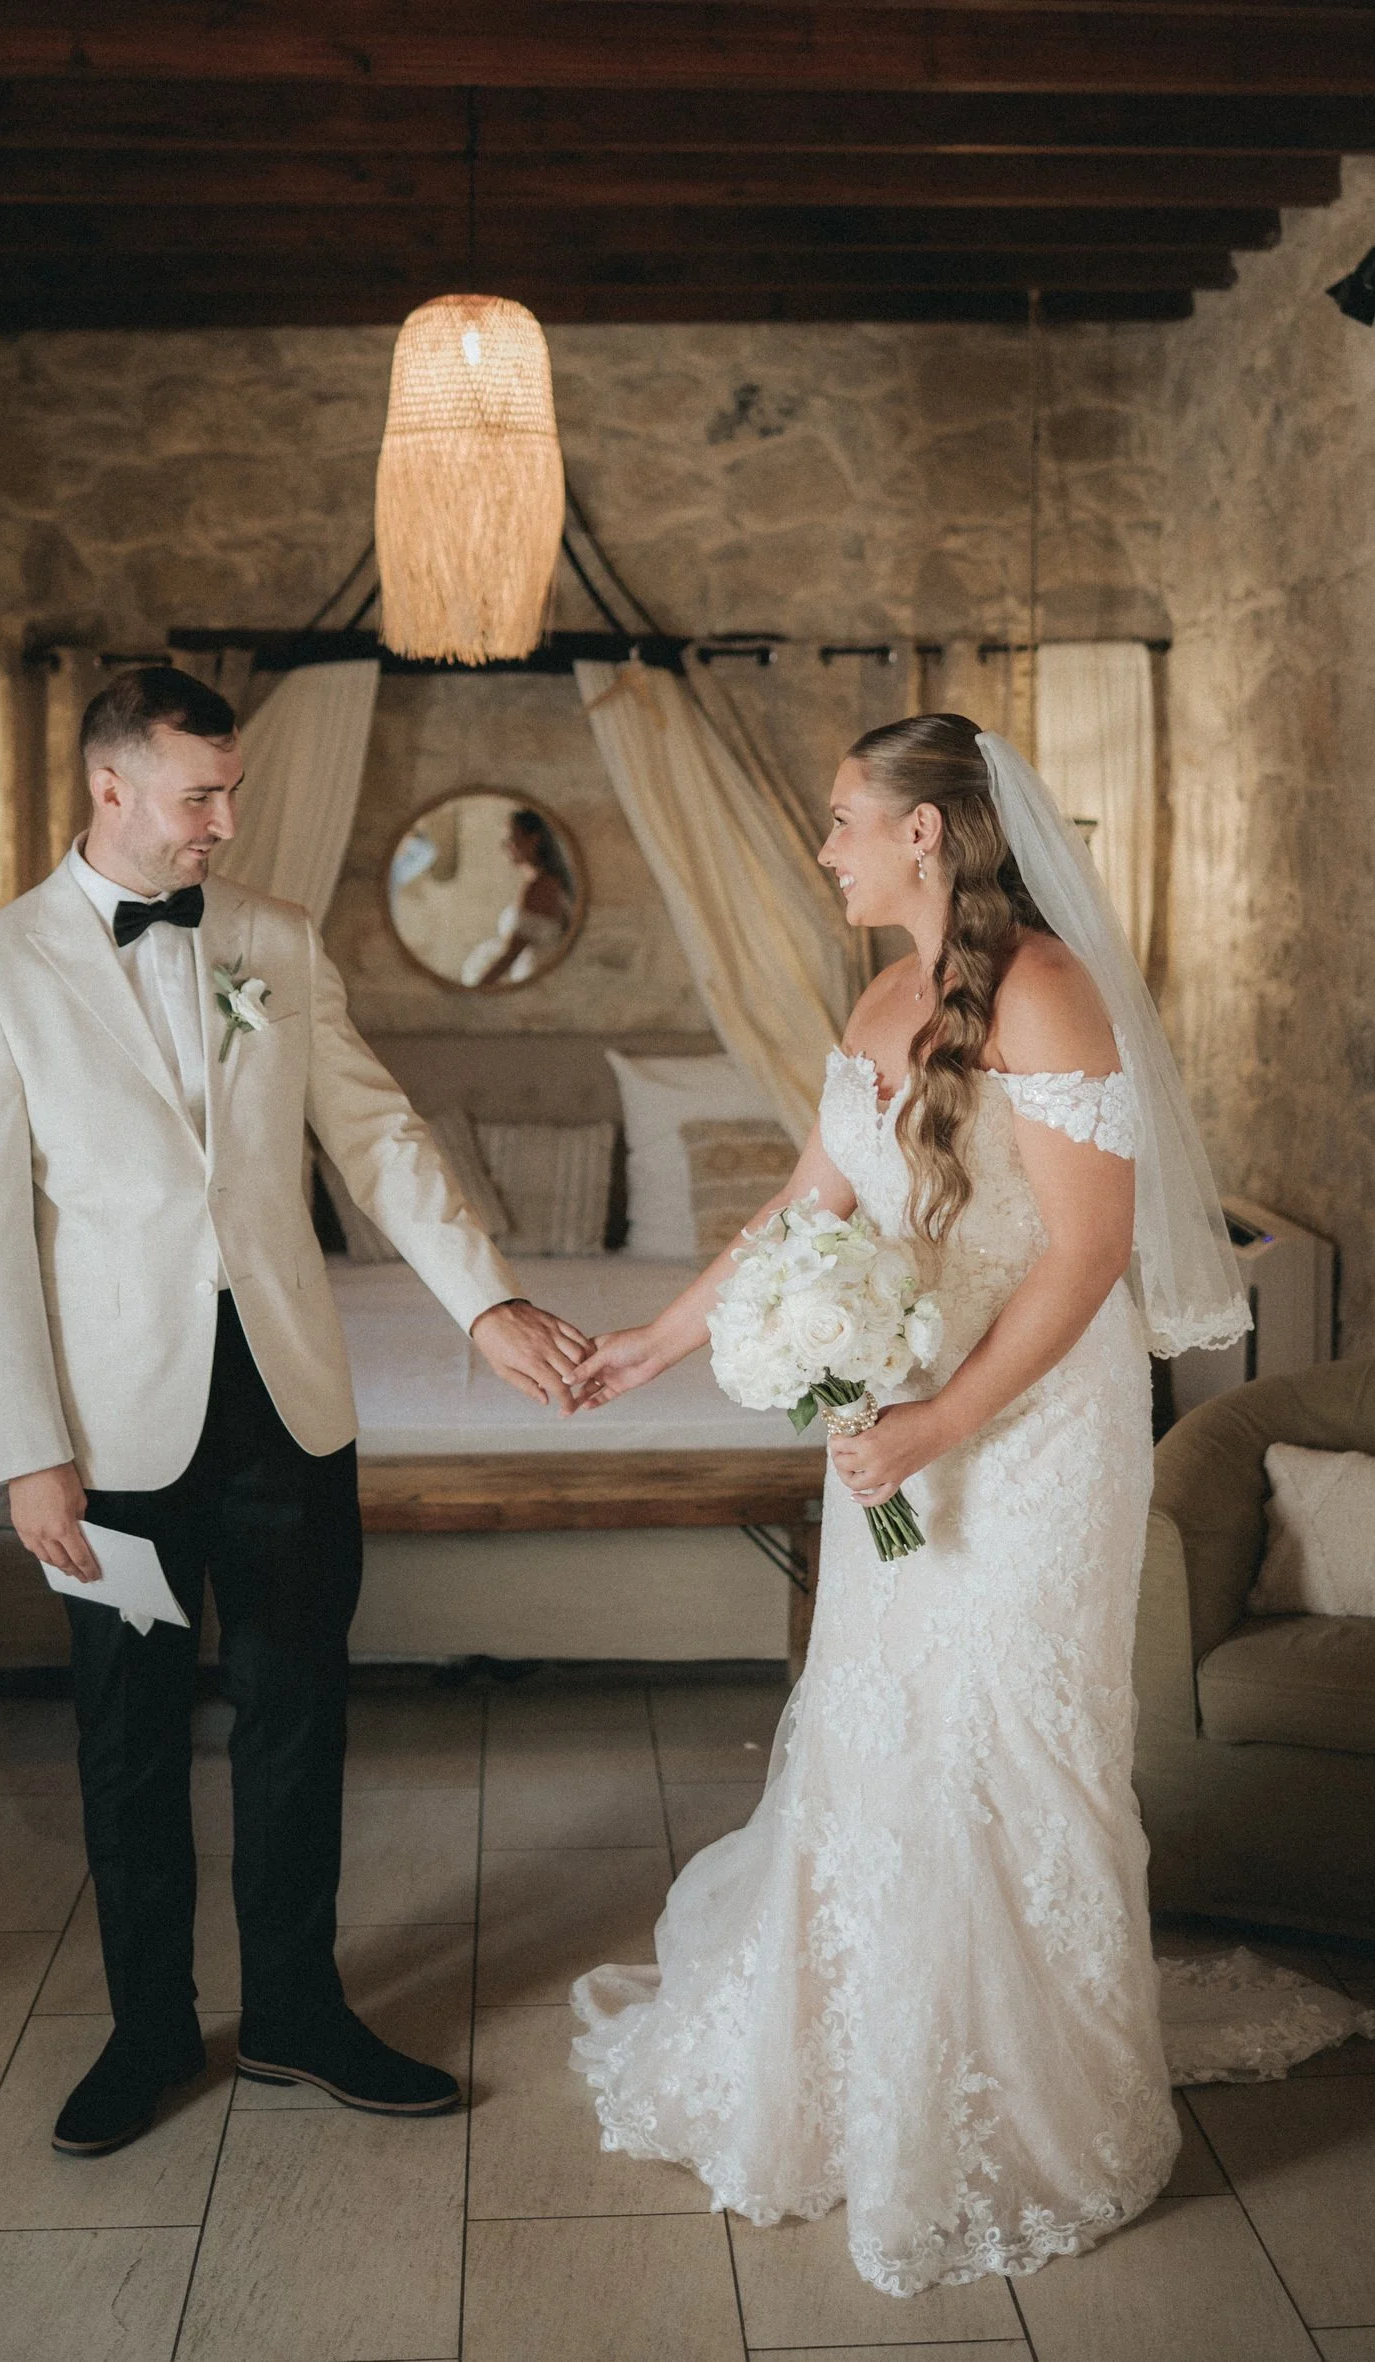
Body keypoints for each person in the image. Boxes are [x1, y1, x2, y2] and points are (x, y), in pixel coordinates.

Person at [565, 713, 1258, 2293]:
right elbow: (805, 1210)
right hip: (892, 1427)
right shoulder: (882, 994)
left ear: (928, 833)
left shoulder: (1052, 990)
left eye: (843, 819)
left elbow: (1085, 1257)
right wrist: (653, 1344)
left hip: (1023, 1433)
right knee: (881, 1729)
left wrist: (943, 1413)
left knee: (1011, 1739)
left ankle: (1036, 2105)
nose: (826, 848)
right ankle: (875, 2068)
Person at [0, 665, 590, 2158]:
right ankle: (150, 2029)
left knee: (301, 1719)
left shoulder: (275, 941)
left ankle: (297, 2010)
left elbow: (376, 1134)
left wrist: (483, 1301)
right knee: (131, 1739)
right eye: (198, 796)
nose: (227, 821)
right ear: (111, 790)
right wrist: (27, 1452)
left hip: (289, 1411)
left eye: (229, 792)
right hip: (111, 1439)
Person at [461, 806, 574, 989]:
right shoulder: (543, 882)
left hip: (534, 983)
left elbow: (511, 954)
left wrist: (476, 991)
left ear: (533, 839)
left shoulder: (541, 886)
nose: (506, 845)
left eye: (512, 838)